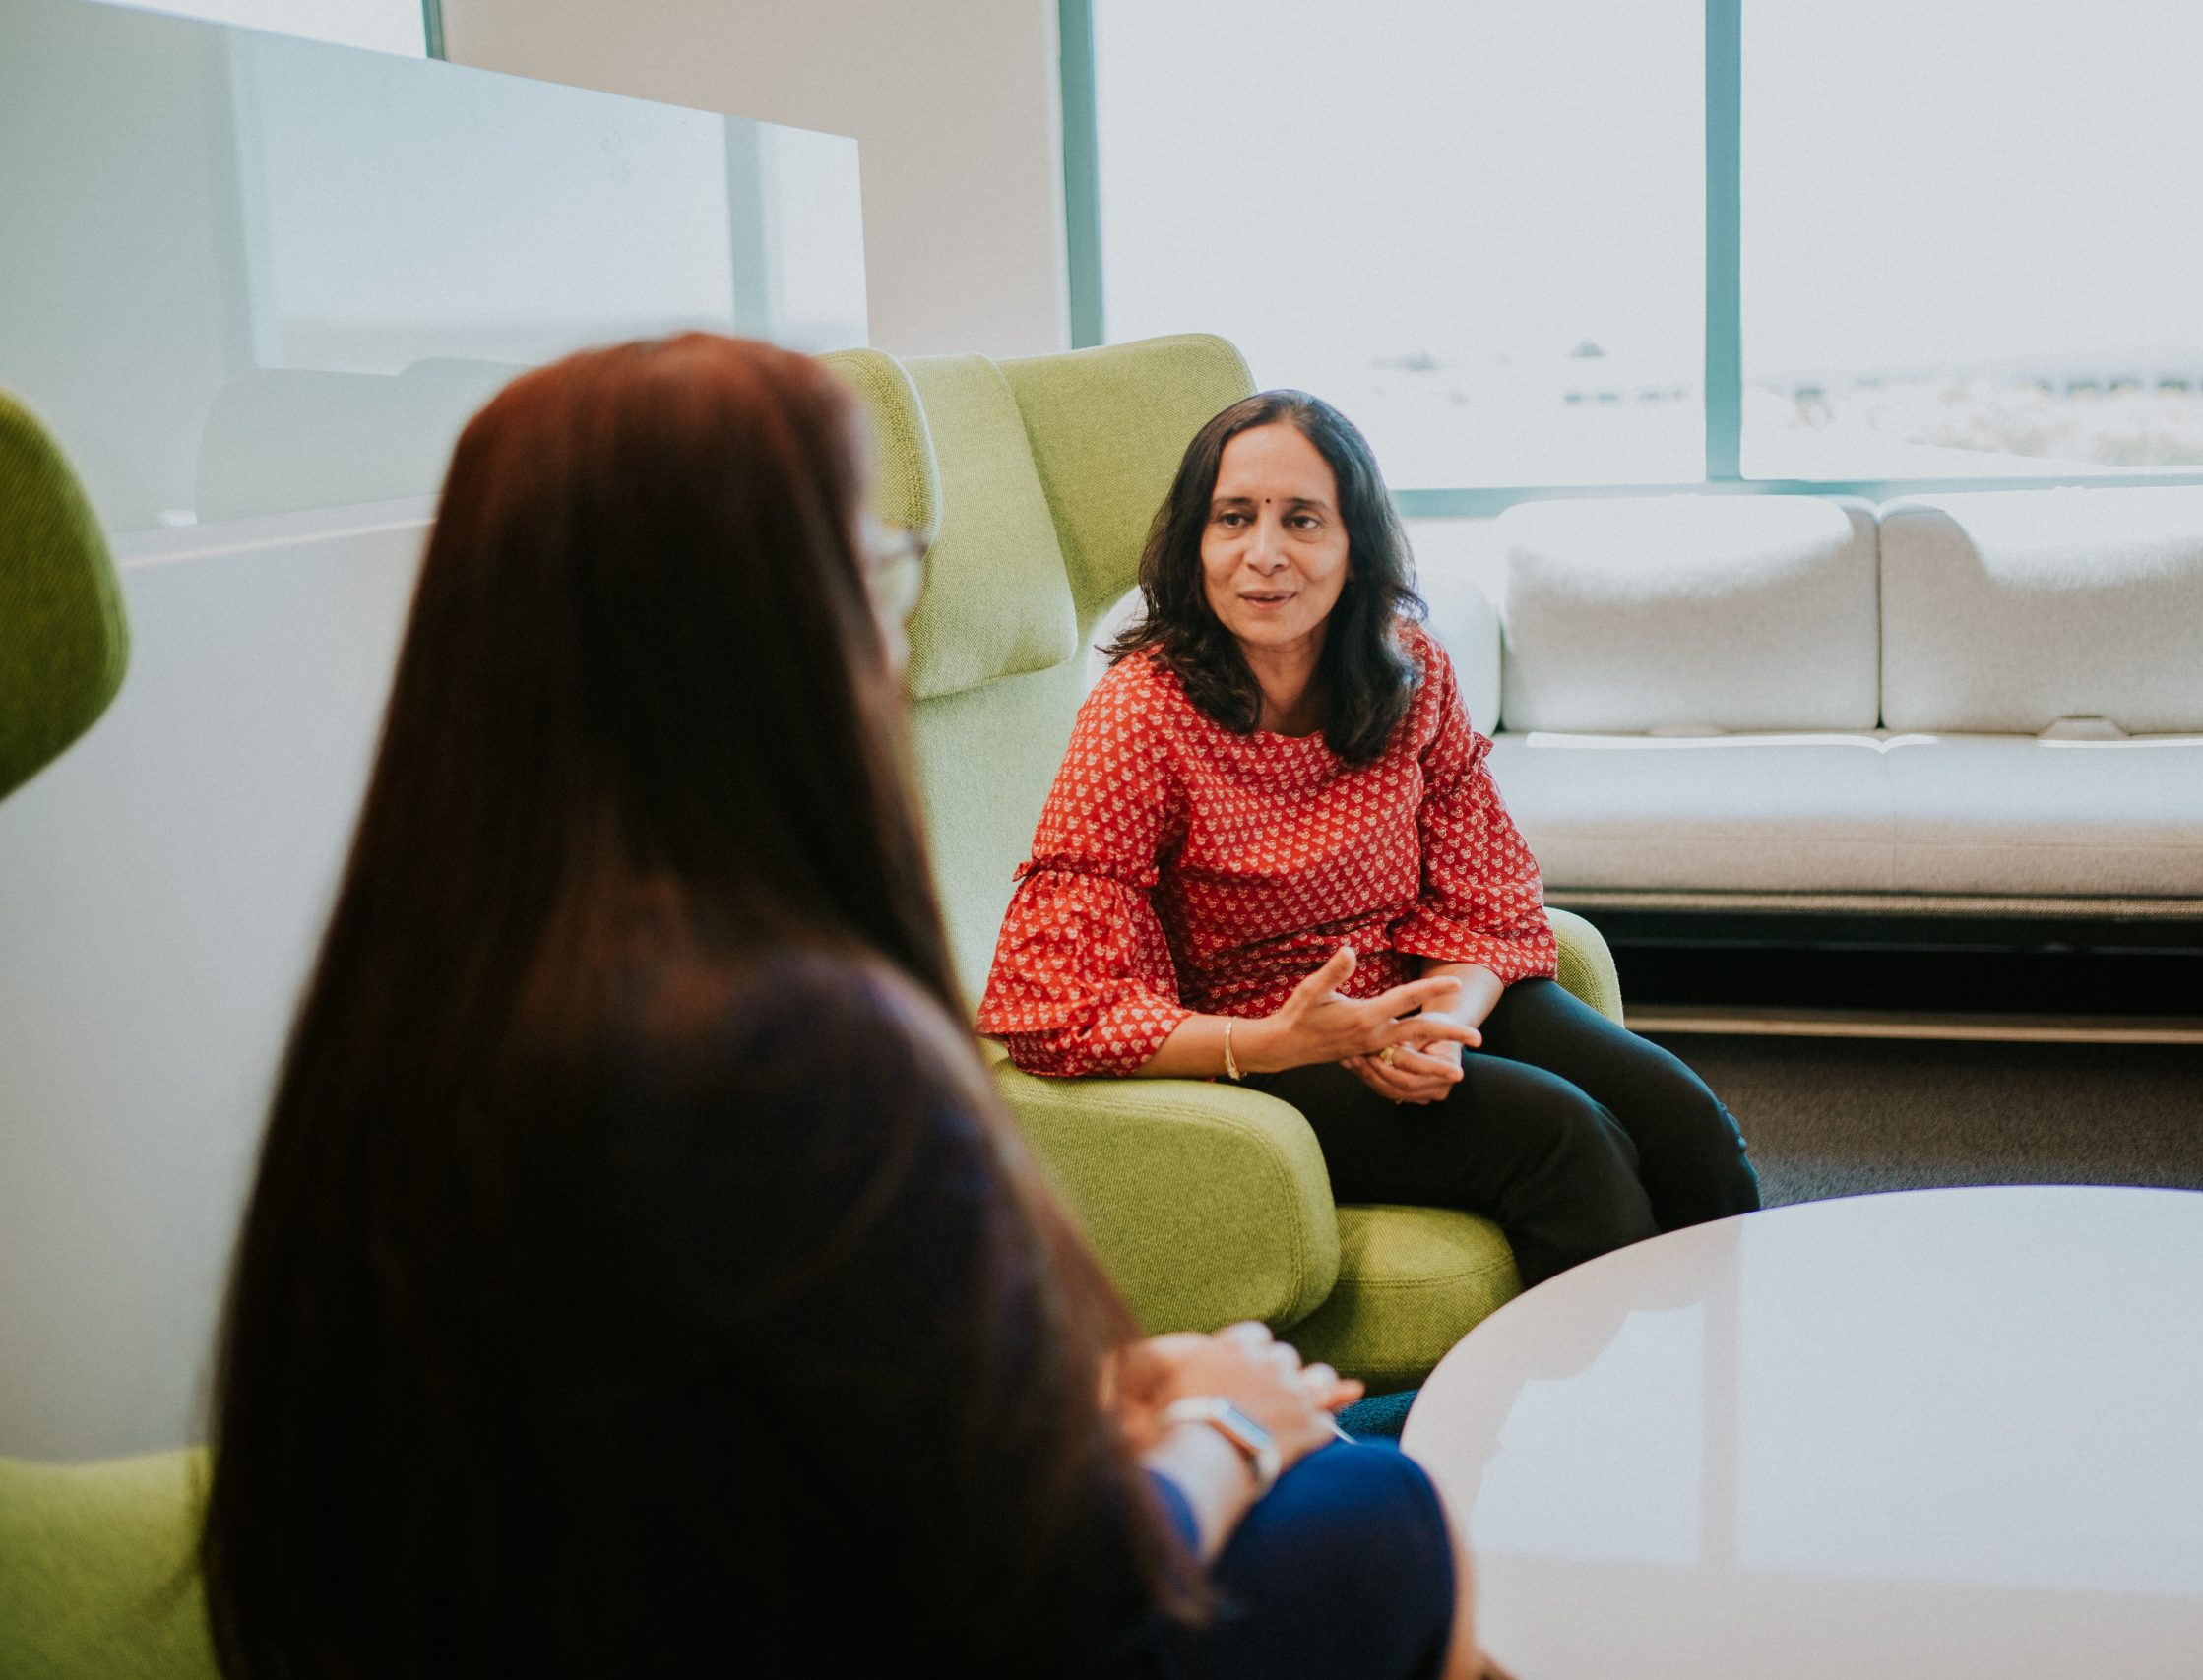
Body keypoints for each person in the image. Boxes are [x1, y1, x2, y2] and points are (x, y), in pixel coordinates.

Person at [197, 336, 1479, 1680]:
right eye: (870, 559)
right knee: (1385, 1496)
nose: (898, 610)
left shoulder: (430, 979)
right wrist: (1220, 1439)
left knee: (1346, 1436)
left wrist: (1094, 1400)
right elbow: (1061, 1601)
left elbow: (724, 1436)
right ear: (753, 628)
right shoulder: (790, 1043)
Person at [976, 391, 1759, 1285]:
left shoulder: (1411, 669)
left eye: (1302, 519)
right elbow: (1051, 994)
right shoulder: (1141, 713)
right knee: (1565, 1140)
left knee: (1686, 1123)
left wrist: (1441, 1020)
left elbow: (1487, 896)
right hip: (1266, 1038)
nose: (1264, 554)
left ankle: (1714, 1386)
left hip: (1418, 993)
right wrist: (1272, 1040)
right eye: (1234, 518)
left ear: (1354, 546)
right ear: (1197, 542)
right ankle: (1583, 1419)